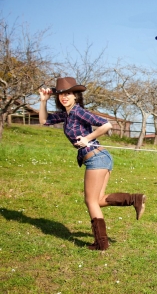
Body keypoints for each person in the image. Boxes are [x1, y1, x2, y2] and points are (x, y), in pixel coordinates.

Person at [39, 77, 146, 251]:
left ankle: (101, 243)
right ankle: (135, 199)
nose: (64, 97)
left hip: (96, 157)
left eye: (68, 94)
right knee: (98, 200)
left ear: (76, 96)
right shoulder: (67, 115)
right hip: (100, 157)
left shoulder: (77, 111)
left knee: (90, 201)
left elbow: (106, 124)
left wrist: (87, 138)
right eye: (60, 94)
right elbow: (44, 121)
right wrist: (43, 101)